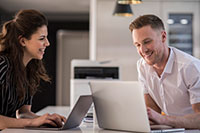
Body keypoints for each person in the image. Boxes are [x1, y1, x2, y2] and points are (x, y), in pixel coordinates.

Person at [129, 14, 200, 129]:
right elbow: (152, 113)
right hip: (169, 130)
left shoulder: (190, 67)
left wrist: (163, 119)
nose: (143, 50)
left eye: (147, 42)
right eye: (137, 45)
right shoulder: (142, 66)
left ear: (163, 37)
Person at [0, 9, 66, 130]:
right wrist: (33, 122)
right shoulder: (2, 66)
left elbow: (23, 113)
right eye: (42, 38)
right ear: (23, 41)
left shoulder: (28, 69)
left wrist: (46, 119)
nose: (47, 43)